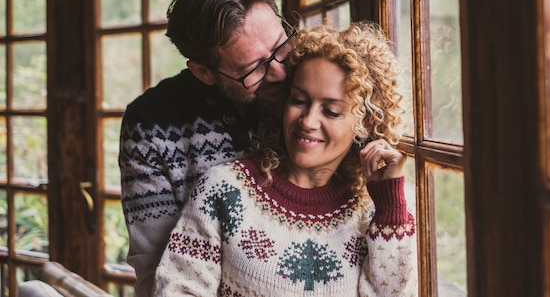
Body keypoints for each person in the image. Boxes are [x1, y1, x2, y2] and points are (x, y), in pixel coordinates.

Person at [153, 23, 418, 297]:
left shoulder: (376, 213)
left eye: (331, 111)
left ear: (365, 122)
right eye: (300, 101)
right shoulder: (223, 189)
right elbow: (178, 289)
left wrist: (389, 206)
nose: (308, 121)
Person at [118, 0, 295, 297]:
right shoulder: (150, 126)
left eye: (280, 47)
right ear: (203, 72)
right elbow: (157, 273)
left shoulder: (313, 86)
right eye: (254, 69)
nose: (281, 73)